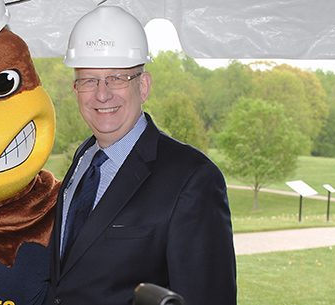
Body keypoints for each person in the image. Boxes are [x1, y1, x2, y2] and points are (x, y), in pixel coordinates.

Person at [46, 5, 237, 305]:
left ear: (144, 86)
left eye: (117, 78)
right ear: (76, 89)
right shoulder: (83, 160)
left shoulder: (192, 179)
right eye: (89, 80)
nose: (102, 94)